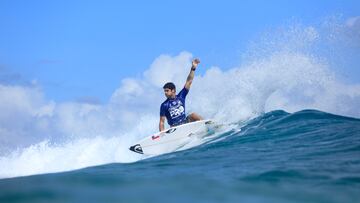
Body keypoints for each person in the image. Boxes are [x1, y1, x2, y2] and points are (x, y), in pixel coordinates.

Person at [159, 58, 203, 131]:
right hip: (175, 129)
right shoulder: (164, 105)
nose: (165, 93)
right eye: (164, 91)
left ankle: (207, 125)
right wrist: (162, 135)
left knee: (193, 115)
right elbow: (161, 122)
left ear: (173, 90)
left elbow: (189, 81)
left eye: (167, 91)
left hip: (185, 123)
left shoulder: (181, 97)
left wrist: (193, 68)